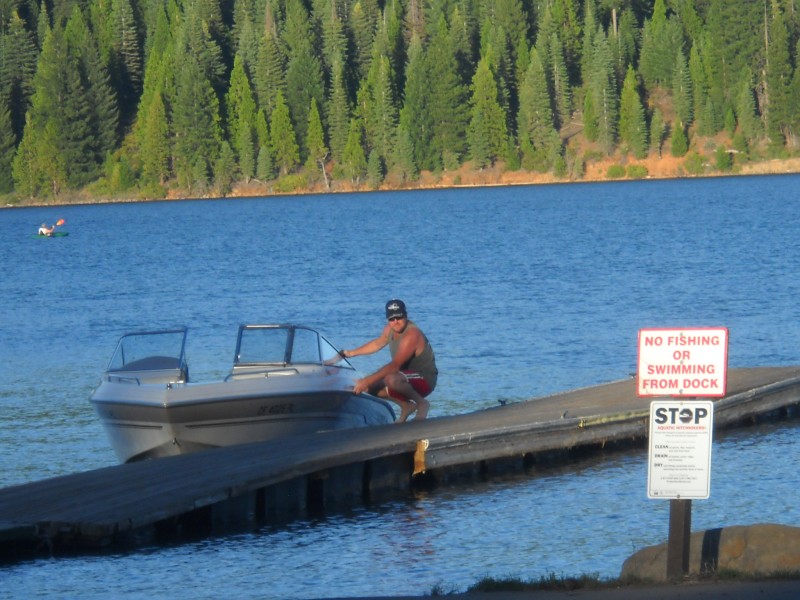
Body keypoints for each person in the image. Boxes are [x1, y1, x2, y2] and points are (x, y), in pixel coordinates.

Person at [342, 299, 437, 422]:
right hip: (404, 378)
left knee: (390, 379)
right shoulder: (389, 330)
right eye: (391, 319)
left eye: (399, 317)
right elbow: (377, 344)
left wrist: (366, 380)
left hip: (425, 379)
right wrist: (351, 353)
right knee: (369, 387)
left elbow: (395, 366)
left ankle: (422, 404)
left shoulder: (412, 334)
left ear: (406, 316)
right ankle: (406, 406)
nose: (395, 322)